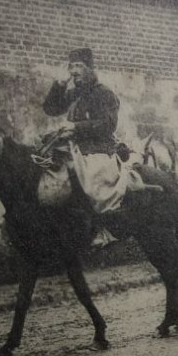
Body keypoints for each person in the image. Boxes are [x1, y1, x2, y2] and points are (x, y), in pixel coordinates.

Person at [40, 47, 158, 224]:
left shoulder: (103, 93)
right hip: (75, 148)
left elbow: (107, 124)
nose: (73, 71)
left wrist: (76, 127)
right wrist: (60, 85)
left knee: (92, 186)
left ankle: (99, 225)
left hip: (98, 149)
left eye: (78, 66)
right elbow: (51, 109)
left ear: (89, 68)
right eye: (71, 67)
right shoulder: (75, 93)